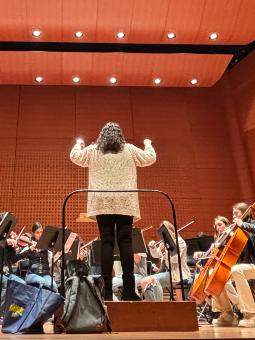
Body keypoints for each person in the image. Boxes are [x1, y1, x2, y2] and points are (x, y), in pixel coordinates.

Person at [70, 123, 156, 300]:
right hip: (125, 201)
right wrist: (148, 143)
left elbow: (74, 156)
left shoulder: (93, 150)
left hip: (102, 202)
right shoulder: (130, 150)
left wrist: (79, 144)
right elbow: (150, 158)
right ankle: (129, 291)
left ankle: (106, 292)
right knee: (126, 243)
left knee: (106, 242)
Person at [211, 201, 255, 328]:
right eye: (233, 214)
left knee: (237, 270)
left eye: (236, 213)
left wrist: (242, 224)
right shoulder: (237, 230)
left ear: (245, 213)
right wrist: (219, 247)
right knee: (215, 274)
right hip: (245, 266)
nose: (233, 217)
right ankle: (228, 313)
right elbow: (234, 252)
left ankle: (252, 315)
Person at [0, 212, 26, 323]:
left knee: (23, 285)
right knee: (7, 284)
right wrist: (4, 241)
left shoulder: (9, 240)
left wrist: (27, 251)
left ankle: (14, 313)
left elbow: (13, 259)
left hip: (8, 274)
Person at [145, 221, 191, 300]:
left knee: (150, 281)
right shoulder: (166, 243)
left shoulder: (179, 241)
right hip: (168, 273)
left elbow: (176, 259)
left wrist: (165, 252)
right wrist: (153, 248)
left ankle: (157, 307)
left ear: (171, 231)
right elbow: (156, 255)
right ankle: (154, 305)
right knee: (147, 281)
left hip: (179, 274)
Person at [16, 222, 57, 291]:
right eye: (37, 233)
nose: (40, 235)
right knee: (42, 282)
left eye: (41, 232)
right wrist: (30, 249)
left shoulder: (47, 247)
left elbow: (52, 260)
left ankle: (52, 301)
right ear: (33, 233)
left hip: (45, 274)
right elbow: (19, 257)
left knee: (53, 286)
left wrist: (54, 252)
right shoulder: (30, 245)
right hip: (32, 274)